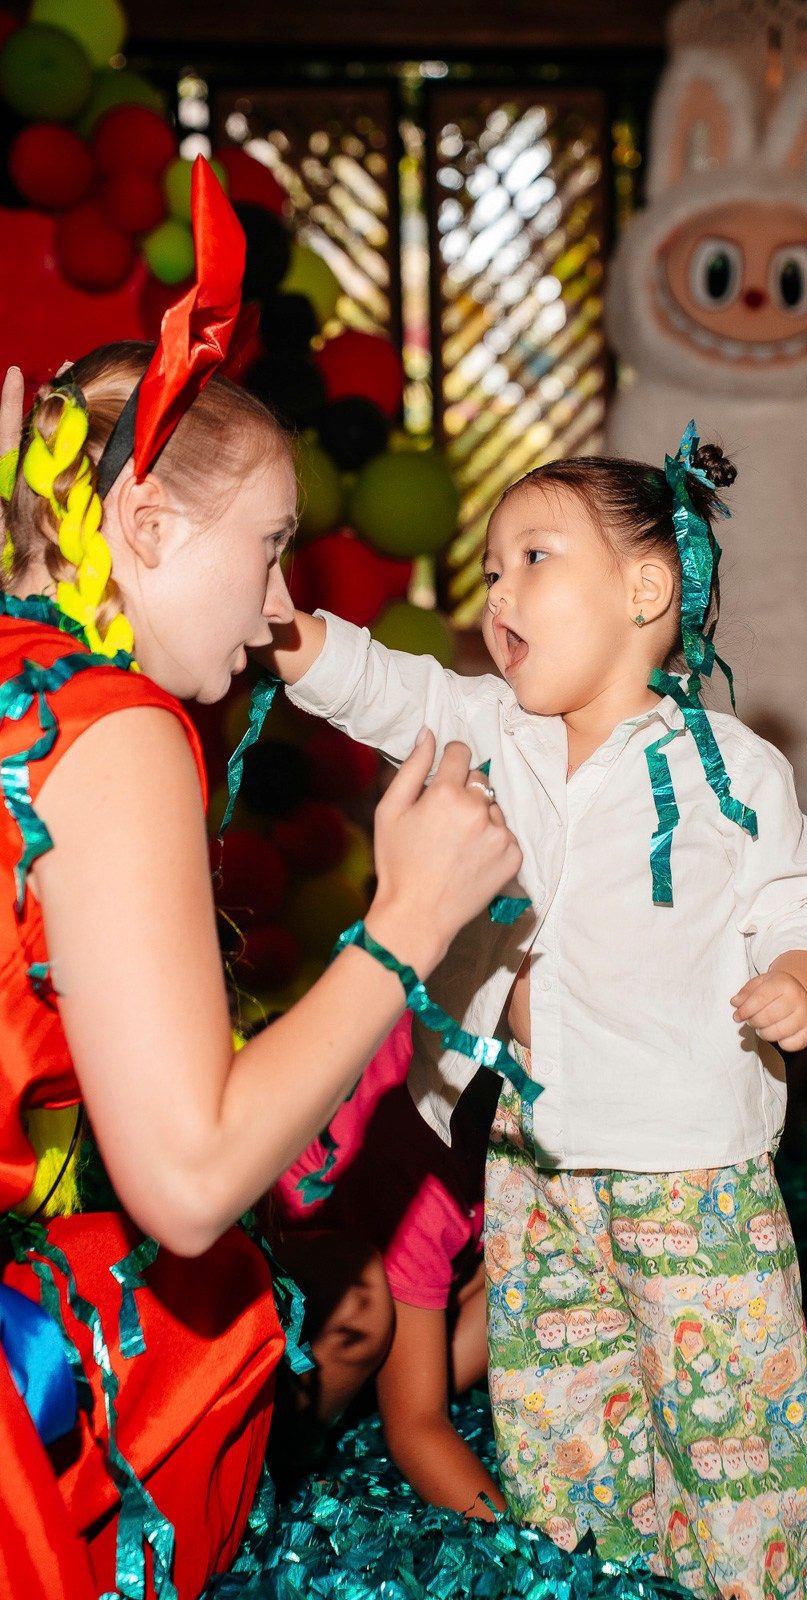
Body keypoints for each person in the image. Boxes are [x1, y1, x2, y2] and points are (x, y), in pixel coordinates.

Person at [262, 426, 807, 1599]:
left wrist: (800, 971)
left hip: (692, 1171)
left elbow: (804, 894)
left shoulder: (729, 765)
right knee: (559, 1412)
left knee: (729, 1428)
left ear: (645, 589)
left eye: (532, 556)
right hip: (533, 1159)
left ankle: (740, 1581)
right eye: (486, 569)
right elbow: (395, 689)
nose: (496, 592)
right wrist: (288, 627)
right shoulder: (502, 732)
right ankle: (598, 1569)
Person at [0, 274, 520, 1599]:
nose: (275, 599)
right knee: (225, 1293)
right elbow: (185, 1183)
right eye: (270, 543)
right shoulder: (110, 728)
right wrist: (405, 924)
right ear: (147, 520)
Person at [271, 1015, 505, 1518]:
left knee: (520, 1273)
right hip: (280, 1336)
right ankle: (282, 1461)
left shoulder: (469, 1061)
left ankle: (376, 1400)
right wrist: (527, 1554)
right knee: (362, 1300)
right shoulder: (424, 1156)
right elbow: (418, 1429)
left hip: (410, 1262)